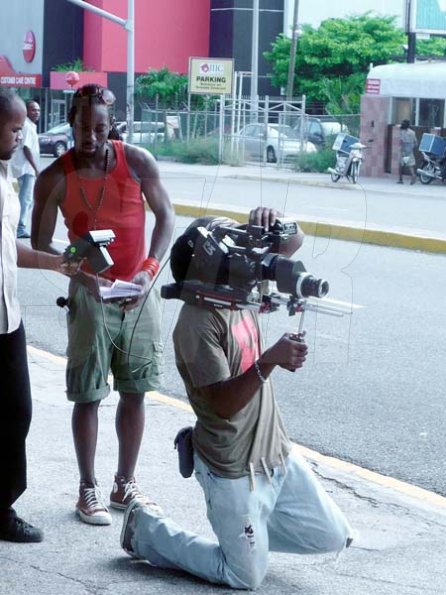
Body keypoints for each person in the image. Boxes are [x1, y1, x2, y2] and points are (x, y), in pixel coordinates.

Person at [120, 207, 354, 589]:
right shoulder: (196, 324)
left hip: (275, 452)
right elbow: (223, 405)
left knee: (330, 536)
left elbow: (293, 241)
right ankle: (146, 531)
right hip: (231, 466)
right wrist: (269, 361)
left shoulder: (240, 291)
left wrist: (272, 221)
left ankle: (249, 535)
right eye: (235, 248)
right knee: (244, 575)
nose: (247, 258)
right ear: (214, 266)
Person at [31, 84, 175, 526]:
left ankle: (124, 483)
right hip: (89, 293)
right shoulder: (55, 175)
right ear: (70, 123)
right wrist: (81, 273)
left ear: (111, 125)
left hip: (139, 289)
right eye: (81, 126)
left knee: (136, 390)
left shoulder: (137, 162)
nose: (89, 136)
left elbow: (166, 217)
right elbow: (39, 244)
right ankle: (87, 487)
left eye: (98, 127)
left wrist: (148, 272)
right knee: (88, 394)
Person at [0, 88, 80, 543]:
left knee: (16, 413)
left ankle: (3, 504)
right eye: (13, 129)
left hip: (7, 317)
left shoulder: (5, 178)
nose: (19, 137)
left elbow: (7, 247)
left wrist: (55, 261)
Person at [10, 99, 40, 238]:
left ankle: (14, 225)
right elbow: (27, 148)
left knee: (17, 198)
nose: (37, 113)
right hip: (25, 171)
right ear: (27, 111)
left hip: (18, 169)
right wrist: (36, 168)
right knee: (25, 199)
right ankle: (20, 227)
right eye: (34, 110)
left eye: (39, 110)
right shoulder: (27, 126)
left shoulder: (29, 125)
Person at [398, 119, 417, 185]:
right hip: (410, 148)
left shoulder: (402, 132)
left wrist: (402, 149)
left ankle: (400, 179)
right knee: (410, 165)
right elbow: (415, 142)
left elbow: (402, 141)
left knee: (400, 164)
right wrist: (411, 147)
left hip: (404, 149)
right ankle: (413, 175)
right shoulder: (413, 132)